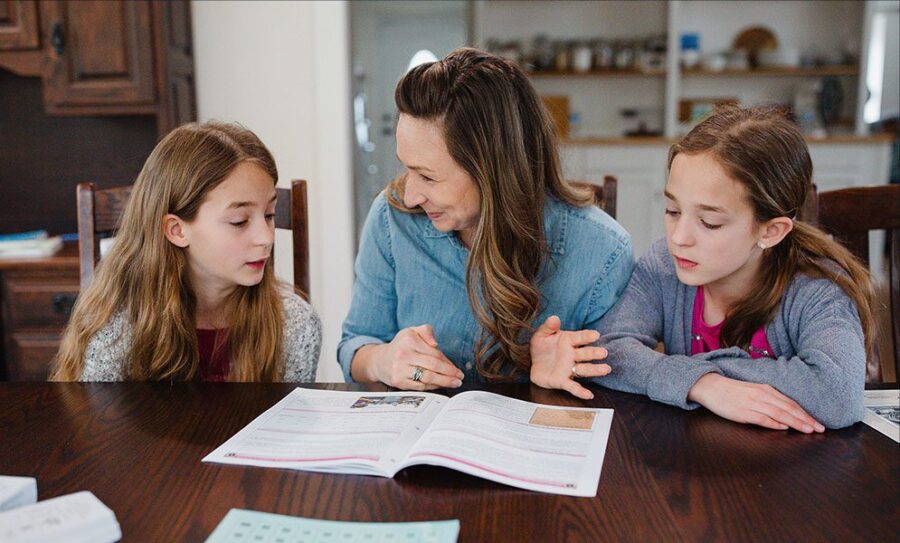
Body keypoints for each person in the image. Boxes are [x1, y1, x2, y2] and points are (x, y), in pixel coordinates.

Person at [533, 105, 874, 430]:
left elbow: (838, 394)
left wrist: (685, 374)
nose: (679, 238)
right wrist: (704, 385)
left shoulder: (817, 289)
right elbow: (610, 350)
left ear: (771, 231)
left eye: (709, 223)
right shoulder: (663, 266)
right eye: (672, 210)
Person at [338, 48, 633, 398]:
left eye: (428, 177)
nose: (412, 195)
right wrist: (382, 360)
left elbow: (619, 391)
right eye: (407, 168)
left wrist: (567, 372)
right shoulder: (392, 218)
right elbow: (355, 344)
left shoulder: (603, 250)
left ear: (495, 172)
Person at [51, 122, 321, 382]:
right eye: (239, 221)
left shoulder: (294, 325)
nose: (266, 237)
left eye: (269, 214)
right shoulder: (114, 328)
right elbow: (100, 426)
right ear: (177, 230)